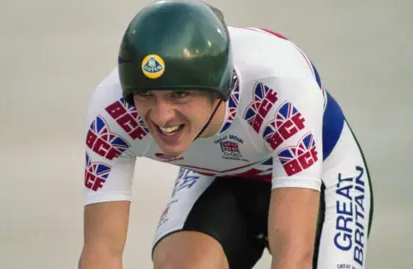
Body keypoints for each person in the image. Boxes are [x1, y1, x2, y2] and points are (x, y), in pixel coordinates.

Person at [78, 0, 374, 268]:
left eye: (180, 94)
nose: (161, 115)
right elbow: (101, 252)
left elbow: (293, 258)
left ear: (219, 88)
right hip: (220, 175)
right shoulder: (112, 112)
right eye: (145, 94)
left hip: (322, 175)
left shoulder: (279, 87)